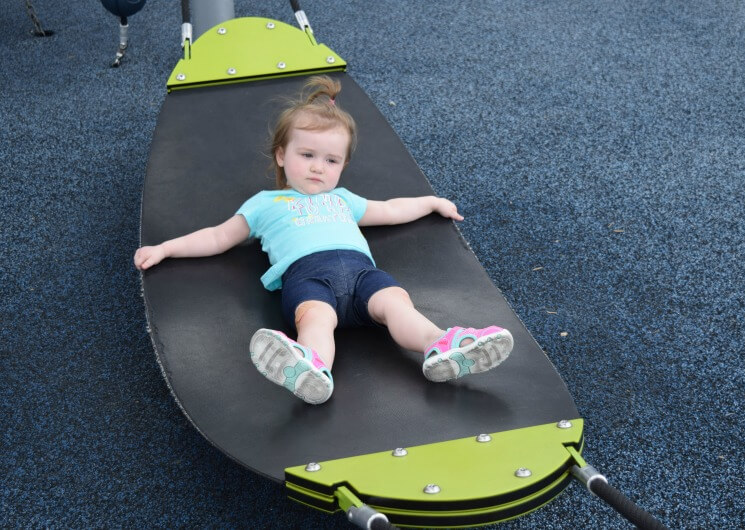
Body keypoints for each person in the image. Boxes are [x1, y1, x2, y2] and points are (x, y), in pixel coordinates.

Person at [134, 76, 513, 405]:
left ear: (343, 166)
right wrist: (166, 248)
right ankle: (313, 369)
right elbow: (219, 237)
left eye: (331, 161)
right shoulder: (266, 204)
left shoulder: (343, 199)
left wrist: (430, 202)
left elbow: (391, 210)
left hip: (364, 275)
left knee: (396, 304)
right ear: (281, 155)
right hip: (310, 277)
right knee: (316, 318)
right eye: (307, 154)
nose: (319, 166)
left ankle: (441, 345)